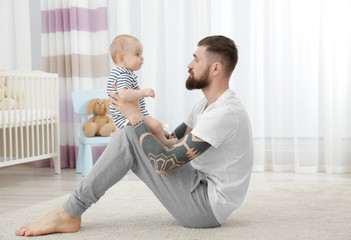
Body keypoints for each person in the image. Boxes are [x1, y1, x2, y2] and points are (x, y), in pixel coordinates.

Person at [15, 35, 253, 237]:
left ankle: (68, 212)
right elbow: (172, 141)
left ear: (216, 68)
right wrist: (151, 127)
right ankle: (69, 211)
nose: (189, 64)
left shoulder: (224, 113)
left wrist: (135, 117)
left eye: (196, 58)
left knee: (131, 132)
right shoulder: (205, 106)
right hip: (197, 185)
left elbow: (164, 164)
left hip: (204, 207)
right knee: (134, 132)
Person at [107, 34, 177, 147]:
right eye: (137, 54)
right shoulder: (123, 74)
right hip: (125, 116)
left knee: (153, 127)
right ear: (121, 58)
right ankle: (164, 143)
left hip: (131, 113)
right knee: (156, 125)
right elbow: (124, 94)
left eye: (141, 54)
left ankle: (160, 140)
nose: (142, 58)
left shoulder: (123, 72)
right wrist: (143, 93)